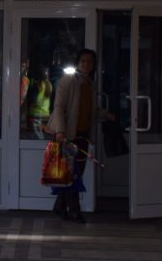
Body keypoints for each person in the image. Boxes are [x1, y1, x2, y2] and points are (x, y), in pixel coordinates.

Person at [46, 48, 113, 223]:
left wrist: (106, 114)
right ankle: (74, 211)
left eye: (90, 62)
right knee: (71, 174)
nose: (86, 64)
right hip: (66, 135)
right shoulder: (68, 80)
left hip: (82, 135)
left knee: (74, 174)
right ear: (77, 63)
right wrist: (60, 131)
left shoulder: (89, 83)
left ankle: (59, 206)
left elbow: (90, 110)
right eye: (83, 61)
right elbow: (59, 107)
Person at [26, 65, 52, 139]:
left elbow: (34, 100)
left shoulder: (37, 85)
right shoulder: (49, 85)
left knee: (37, 138)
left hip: (35, 114)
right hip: (46, 114)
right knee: (44, 136)